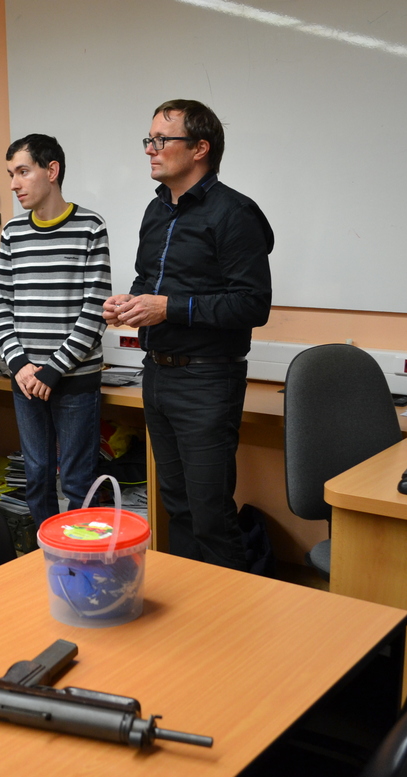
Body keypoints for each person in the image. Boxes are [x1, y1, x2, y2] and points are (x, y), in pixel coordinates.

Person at [103, 99, 273, 570]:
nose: (150, 150)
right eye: (148, 140)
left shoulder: (234, 213)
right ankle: (189, 619)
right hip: (157, 376)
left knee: (210, 514)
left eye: (162, 140)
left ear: (200, 148)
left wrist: (169, 308)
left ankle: (231, 624)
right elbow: (148, 283)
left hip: (207, 381)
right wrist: (130, 304)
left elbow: (252, 304)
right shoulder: (156, 212)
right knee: (175, 506)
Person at [0, 134, 110, 525]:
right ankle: (45, 562)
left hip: (73, 378)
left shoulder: (91, 226)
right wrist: (21, 366)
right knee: (37, 474)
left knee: (78, 481)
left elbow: (94, 312)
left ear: (52, 171)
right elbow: (1, 307)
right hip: (25, 379)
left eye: (23, 172)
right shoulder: (12, 234)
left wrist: (54, 370)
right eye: (11, 174)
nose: (14, 184)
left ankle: (79, 565)